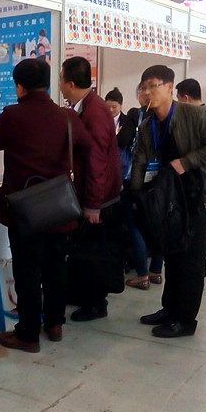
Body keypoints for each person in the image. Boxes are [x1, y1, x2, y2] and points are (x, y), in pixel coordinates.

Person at [0, 58, 95, 352]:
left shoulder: (12, 115)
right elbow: (87, 147)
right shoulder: (67, 117)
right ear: (48, 84)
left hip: (24, 210)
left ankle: (28, 335)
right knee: (56, 268)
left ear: (19, 87)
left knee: (27, 272)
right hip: (59, 208)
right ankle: (55, 324)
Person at [130, 65, 206, 338]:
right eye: (143, 87)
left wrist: (186, 162)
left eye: (153, 86)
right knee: (172, 255)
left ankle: (186, 320)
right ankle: (170, 309)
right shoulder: (147, 124)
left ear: (169, 87)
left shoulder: (194, 115)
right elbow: (140, 161)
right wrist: (137, 195)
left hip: (198, 197)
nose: (147, 92)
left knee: (191, 260)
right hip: (169, 200)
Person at [59, 57, 122, 322]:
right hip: (93, 193)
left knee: (94, 255)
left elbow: (96, 161)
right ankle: (84, 296)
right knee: (84, 252)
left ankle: (96, 304)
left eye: (61, 79)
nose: (60, 84)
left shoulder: (94, 112)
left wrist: (93, 204)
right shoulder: (86, 106)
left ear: (70, 83)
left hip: (100, 198)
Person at [121, 84, 163, 289]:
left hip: (135, 178)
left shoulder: (135, 115)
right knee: (159, 223)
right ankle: (156, 271)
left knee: (135, 225)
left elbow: (122, 140)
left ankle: (141, 274)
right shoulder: (165, 117)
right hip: (160, 179)